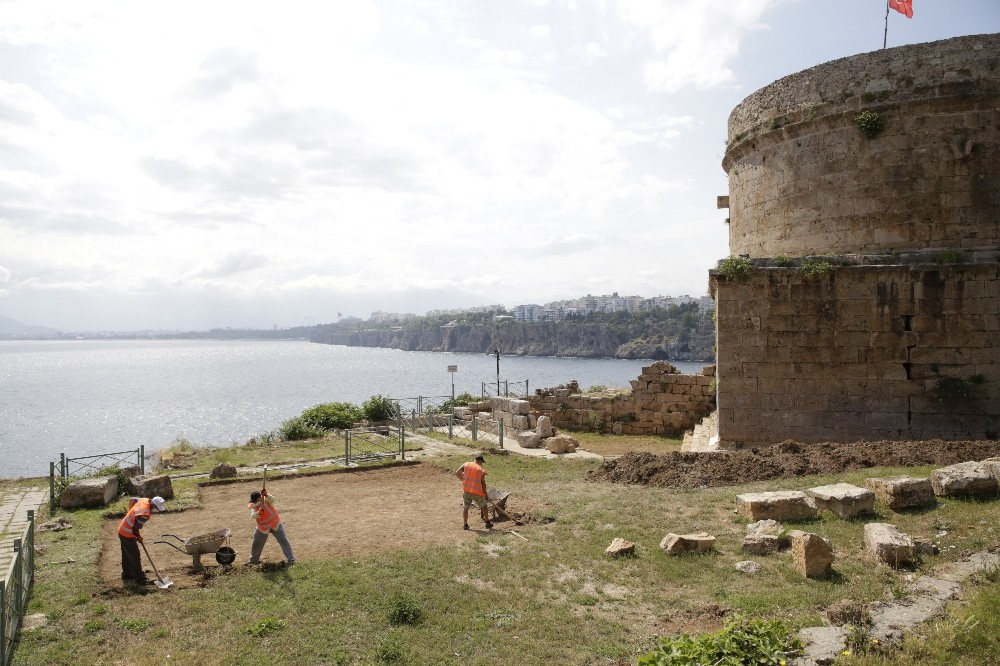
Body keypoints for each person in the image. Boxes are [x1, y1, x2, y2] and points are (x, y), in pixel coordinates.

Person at [118, 495, 166, 586]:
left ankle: (127, 574)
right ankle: (140, 579)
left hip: (122, 529)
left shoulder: (144, 500)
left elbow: (132, 499)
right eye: (155, 507)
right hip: (127, 532)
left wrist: (130, 513)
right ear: (153, 504)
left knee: (127, 554)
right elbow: (135, 529)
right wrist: (139, 536)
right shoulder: (145, 514)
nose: (155, 509)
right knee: (135, 555)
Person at [247, 488, 296, 565]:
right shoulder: (251, 506)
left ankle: (292, 560)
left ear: (260, 498)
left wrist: (266, 494)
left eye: (256, 501)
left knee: (284, 541)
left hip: (275, 524)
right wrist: (258, 513)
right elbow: (253, 515)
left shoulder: (266, 499)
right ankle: (253, 561)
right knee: (256, 544)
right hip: (262, 528)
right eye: (254, 501)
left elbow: (272, 500)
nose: (255, 503)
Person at [456, 453, 492, 530]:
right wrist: (485, 494)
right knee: (484, 506)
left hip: (467, 490)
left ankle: (465, 525)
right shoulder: (480, 470)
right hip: (477, 492)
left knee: (466, 508)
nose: (481, 464)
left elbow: (457, 473)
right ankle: (487, 523)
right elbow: (483, 483)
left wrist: (463, 480)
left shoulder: (466, 464)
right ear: (480, 462)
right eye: (482, 463)